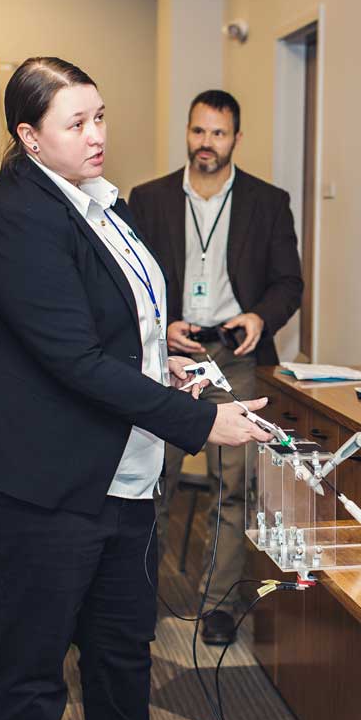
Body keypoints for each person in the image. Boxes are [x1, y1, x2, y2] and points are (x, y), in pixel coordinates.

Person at [0, 57, 271, 720]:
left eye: (101, 116)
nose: (96, 135)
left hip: (117, 482)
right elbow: (72, 359)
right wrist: (200, 422)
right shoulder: (19, 215)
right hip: (31, 487)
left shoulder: (99, 200)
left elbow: (111, 321)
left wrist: (156, 358)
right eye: (76, 122)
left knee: (121, 659)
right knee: (27, 678)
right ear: (30, 137)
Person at [129, 90, 302, 645]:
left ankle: (219, 603)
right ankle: (133, 600)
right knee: (156, 479)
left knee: (236, 486)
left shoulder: (267, 202)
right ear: (188, 131)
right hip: (172, 353)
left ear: (236, 139)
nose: (207, 143)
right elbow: (131, 281)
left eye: (219, 134)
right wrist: (163, 326)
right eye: (198, 131)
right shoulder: (148, 198)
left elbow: (288, 283)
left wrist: (259, 316)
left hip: (236, 353)